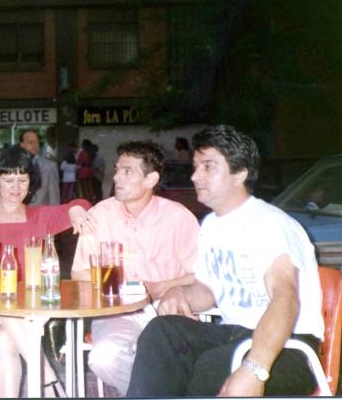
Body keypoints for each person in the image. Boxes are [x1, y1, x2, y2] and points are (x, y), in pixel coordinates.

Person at [127, 125, 324, 397]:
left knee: (209, 365)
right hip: (235, 334)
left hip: (287, 348)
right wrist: (178, 292)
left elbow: (285, 298)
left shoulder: (271, 225)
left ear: (239, 174)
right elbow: (208, 291)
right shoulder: (211, 225)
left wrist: (255, 369)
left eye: (208, 167)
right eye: (196, 167)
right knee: (162, 332)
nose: (195, 176)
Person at [0, 145, 92, 397]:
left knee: (4, 340)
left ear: (31, 183)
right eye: (8, 180)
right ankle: (49, 381)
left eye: (23, 179)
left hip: (33, 315)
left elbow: (82, 204)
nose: (16, 187)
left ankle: (47, 384)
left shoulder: (41, 217)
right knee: (4, 306)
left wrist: (75, 207)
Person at [70, 141, 199, 396]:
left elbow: (201, 274)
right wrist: (115, 291)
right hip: (118, 312)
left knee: (185, 361)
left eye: (127, 171)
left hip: (167, 308)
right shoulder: (100, 215)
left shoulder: (178, 217)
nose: (117, 177)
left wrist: (161, 287)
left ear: (151, 179)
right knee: (104, 358)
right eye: (117, 170)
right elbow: (80, 273)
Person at [19, 129, 60, 205]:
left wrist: (55, 211)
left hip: (41, 210)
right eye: (30, 142)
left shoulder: (50, 166)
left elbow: (54, 196)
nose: (35, 145)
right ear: (22, 145)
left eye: (37, 142)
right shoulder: (13, 166)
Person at [77, 139, 97, 204]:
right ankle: (91, 200)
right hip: (90, 169)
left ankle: (86, 201)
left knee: (84, 187)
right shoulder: (92, 152)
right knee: (90, 186)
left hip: (83, 170)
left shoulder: (83, 152)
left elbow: (79, 162)